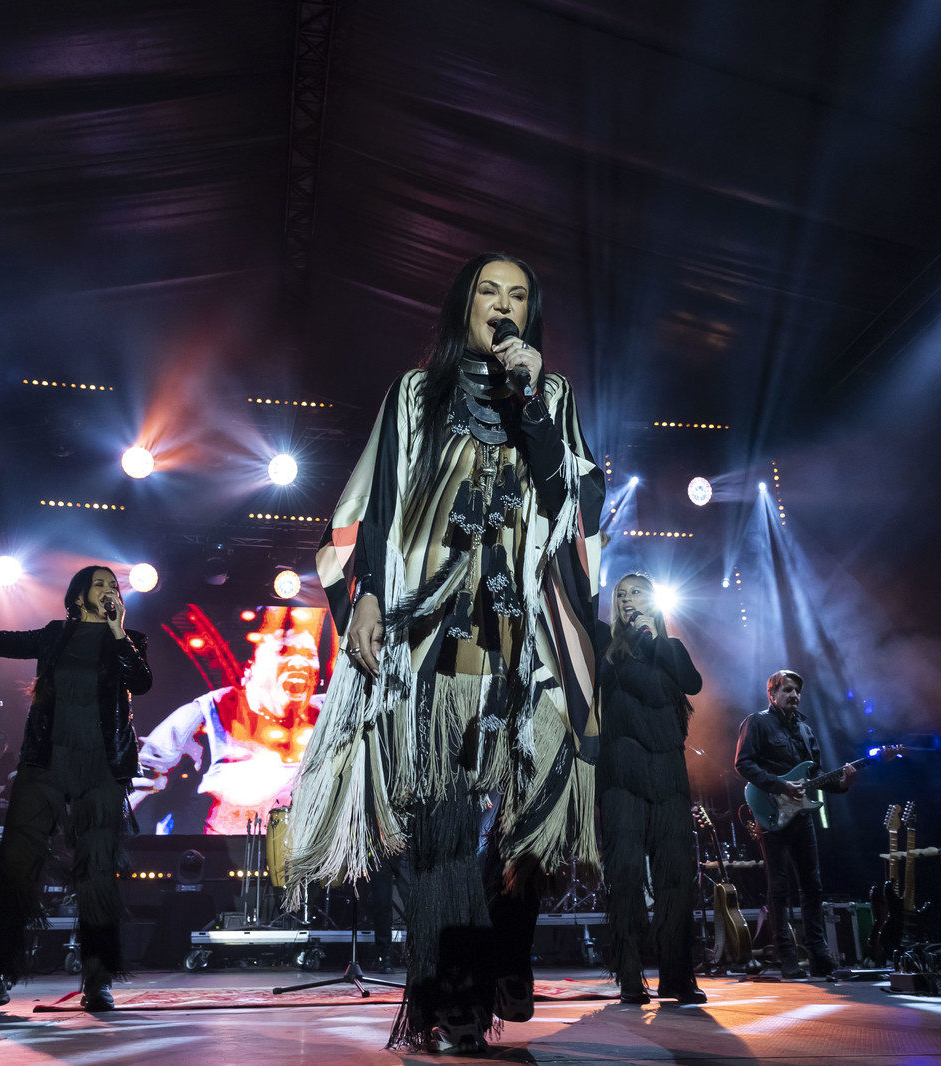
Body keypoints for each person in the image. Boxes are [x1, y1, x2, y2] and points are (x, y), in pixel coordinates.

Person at [286, 252, 604, 1052]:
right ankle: (448, 1000)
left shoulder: (550, 394)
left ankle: (498, 961)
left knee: (534, 816)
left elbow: (566, 498)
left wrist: (530, 399)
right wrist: (365, 594)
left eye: (518, 295)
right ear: (465, 303)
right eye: (489, 290)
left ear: (531, 315)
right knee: (441, 825)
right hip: (432, 631)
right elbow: (377, 502)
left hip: (519, 633)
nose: (503, 304)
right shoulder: (414, 393)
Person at [0, 558, 152, 1014]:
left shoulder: (130, 640)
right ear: (78, 596)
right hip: (46, 764)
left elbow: (141, 683)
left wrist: (118, 631)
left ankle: (97, 981)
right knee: (15, 870)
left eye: (113, 585)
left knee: (97, 873)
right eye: (99, 584)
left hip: (101, 770)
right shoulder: (52, 635)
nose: (109, 589)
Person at [596, 573, 705, 1004]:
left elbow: (692, 683)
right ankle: (629, 975)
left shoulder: (669, 647)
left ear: (653, 600)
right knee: (624, 874)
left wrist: (654, 636)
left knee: (675, 875)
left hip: (667, 773)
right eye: (620, 594)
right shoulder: (606, 646)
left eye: (635, 592)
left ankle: (677, 976)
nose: (626, 599)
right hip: (621, 773)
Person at [133, 624, 322, 834]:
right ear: (251, 667)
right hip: (214, 850)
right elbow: (140, 786)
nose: (299, 662)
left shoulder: (326, 714)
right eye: (284, 651)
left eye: (308, 655)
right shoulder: (206, 714)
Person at [734, 670, 856, 979]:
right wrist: (780, 786)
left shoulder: (805, 729)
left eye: (797, 691)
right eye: (787, 690)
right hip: (771, 813)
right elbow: (743, 763)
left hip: (801, 816)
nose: (794, 695)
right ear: (772, 694)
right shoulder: (757, 722)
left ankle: (818, 955)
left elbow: (815, 775)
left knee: (812, 886)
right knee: (779, 887)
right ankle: (786, 956)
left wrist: (843, 783)